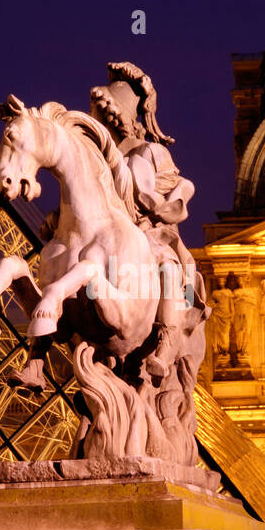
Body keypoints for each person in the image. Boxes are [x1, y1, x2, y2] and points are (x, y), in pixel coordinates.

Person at [88, 63, 207, 377]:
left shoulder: (150, 152)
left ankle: (167, 342)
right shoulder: (96, 163)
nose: (94, 122)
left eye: (100, 115)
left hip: (150, 236)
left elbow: (181, 189)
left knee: (167, 267)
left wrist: (166, 206)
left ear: (119, 119)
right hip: (109, 236)